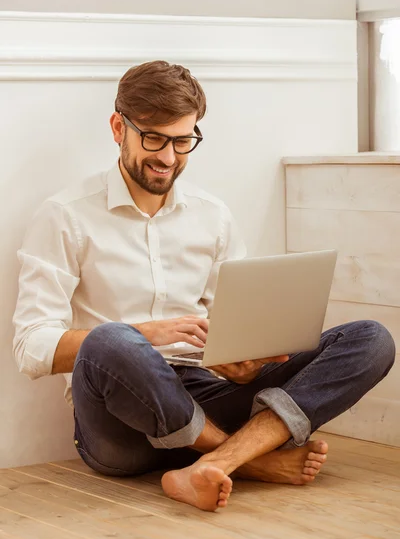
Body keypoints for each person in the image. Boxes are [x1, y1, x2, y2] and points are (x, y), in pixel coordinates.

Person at [13, 60, 395, 512]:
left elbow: (238, 326)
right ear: (119, 128)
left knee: (371, 339)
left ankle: (214, 460)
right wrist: (143, 334)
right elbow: (30, 346)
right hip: (119, 428)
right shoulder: (65, 215)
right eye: (153, 138)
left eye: (182, 141)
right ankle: (250, 461)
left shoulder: (212, 216)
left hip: (204, 395)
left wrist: (242, 363)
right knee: (112, 339)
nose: (168, 158)